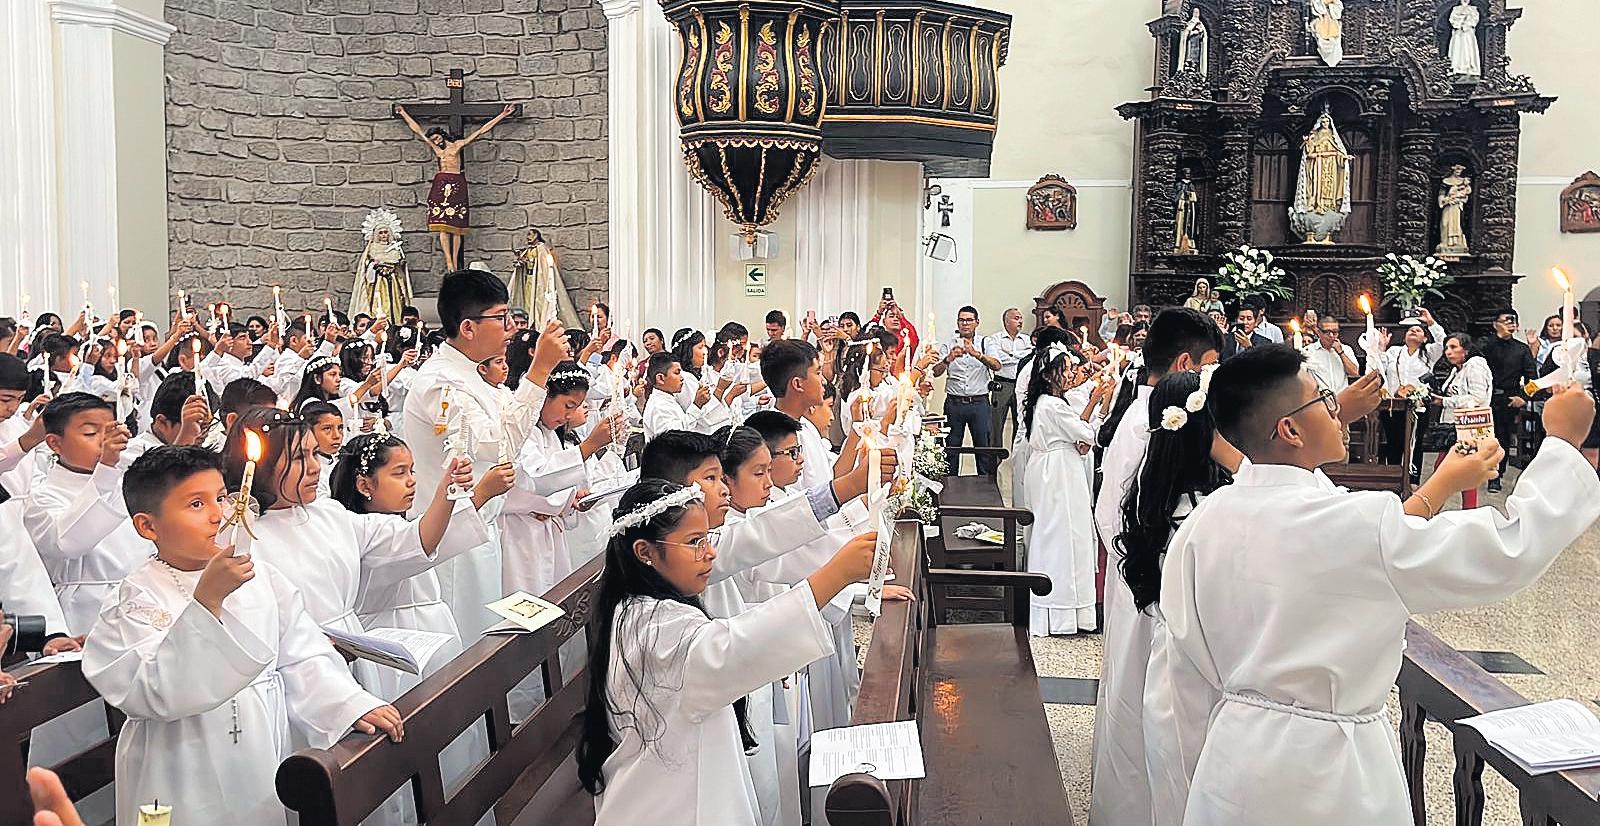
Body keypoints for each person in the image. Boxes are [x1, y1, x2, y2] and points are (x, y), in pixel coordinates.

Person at [1151, 344, 1598, 825]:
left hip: (1231, 760)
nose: (1336, 408)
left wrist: (1197, 782)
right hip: (1331, 771)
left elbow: (1185, 683)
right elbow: (1507, 549)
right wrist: (1562, 443)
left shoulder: (1202, 525)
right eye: (1324, 398)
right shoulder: (1358, 524)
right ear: (1290, 430)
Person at [83, 445, 402, 826]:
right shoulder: (133, 599)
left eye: (221, 497)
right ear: (148, 526)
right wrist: (207, 602)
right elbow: (152, 692)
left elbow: (302, 654)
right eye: (196, 504)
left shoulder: (260, 576)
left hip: (260, 747)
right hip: (179, 763)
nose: (218, 514)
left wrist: (348, 703)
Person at [576, 480, 875, 826]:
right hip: (670, 807)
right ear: (645, 552)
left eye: (708, 539)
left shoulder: (642, 608)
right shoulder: (655, 630)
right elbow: (732, 649)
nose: (710, 553)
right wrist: (835, 575)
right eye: (694, 542)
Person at [226, 406, 491, 698]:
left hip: (351, 653)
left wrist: (446, 493)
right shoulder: (241, 534)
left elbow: (415, 540)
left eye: (315, 454)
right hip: (298, 671)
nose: (315, 467)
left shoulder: (329, 514)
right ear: (262, 465)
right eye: (300, 457)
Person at [1088, 307, 1221, 826]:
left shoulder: (1148, 410)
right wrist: (1150, 566)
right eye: (1210, 366)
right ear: (1186, 364)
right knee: (1141, 703)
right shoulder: (1150, 416)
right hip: (1151, 587)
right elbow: (1113, 512)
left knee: (1148, 703)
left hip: (1155, 583)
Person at [401, 268, 564, 638]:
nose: (511, 328)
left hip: (480, 528)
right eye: (501, 317)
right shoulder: (441, 381)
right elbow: (499, 444)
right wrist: (539, 369)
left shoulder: (473, 376)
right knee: (465, 644)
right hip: (449, 540)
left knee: (488, 637)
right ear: (468, 328)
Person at [1114, 370, 1232, 824]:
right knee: (1197, 793)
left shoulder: (1155, 496)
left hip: (1171, 664)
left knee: (1175, 790)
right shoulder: (1211, 510)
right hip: (1208, 666)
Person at [1021, 343, 1109, 635]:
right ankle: (1061, 609)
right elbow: (1087, 433)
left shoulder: (1045, 403)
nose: (1071, 374)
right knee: (1063, 535)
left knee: (1056, 534)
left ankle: (1064, 611)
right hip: (1058, 475)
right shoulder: (1053, 405)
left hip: (1052, 469)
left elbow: (1076, 434)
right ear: (1049, 375)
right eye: (1066, 369)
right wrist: (1099, 402)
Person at [395, 103, 516, 272]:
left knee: (457, 226)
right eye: (433, 140)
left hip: (456, 182)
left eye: (437, 138)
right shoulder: (436, 149)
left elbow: (481, 131)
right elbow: (417, 130)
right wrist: (403, 113)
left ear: (442, 135)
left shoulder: (456, 146)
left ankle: (454, 258)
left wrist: (503, 115)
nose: (435, 142)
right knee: (442, 225)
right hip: (441, 183)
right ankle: (449, 261)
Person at [934, 306, 1003, 475]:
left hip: (979, 403)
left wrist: (977, 354)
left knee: (983, 448)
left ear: (977, 322)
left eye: (969, 320)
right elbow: (935, 372)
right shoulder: (948, 344)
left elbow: (997, 365)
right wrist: (948, 359)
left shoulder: (986, 342)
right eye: (961, 320)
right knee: (951, 448)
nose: (965, 324)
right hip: (954, 402)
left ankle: (986, 485)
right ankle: (950, 484)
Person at [1431, 333, 1494, 507]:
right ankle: (1437, 508)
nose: (1448, 352)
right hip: (1453, 426)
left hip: (1468, 427)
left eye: (1453, 347)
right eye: (1446, 348)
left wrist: (1445, 401)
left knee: (1453, 470)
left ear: (1466, 349)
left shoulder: (1475, 366)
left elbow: (1478, 397)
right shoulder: (1456, 370)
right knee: (1449, 470)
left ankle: (1439, 508)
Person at [1479, 310, 1537, 493]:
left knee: (1502, 438)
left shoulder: (1521, 349)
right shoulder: (1486, 344)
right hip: (1486, 397)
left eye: (1513, 321)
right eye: (1506, 320)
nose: (1510, 324)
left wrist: (1524, 397)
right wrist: (1498, 336)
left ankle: (1496, 475)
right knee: (1483, 437)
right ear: (1495, 324)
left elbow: (1532, 379)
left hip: (1509, 399)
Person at [985, 307, 1033, 443]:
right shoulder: (995, 339)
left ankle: (1017, 454)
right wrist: (1019, 356)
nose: (1020, 321)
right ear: (1006, 321)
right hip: (1002, 384)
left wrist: (1010, 354)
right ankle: (995, 454)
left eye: (1021, 318)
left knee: (1020, 423)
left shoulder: (1026, 339)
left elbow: (1028, 359)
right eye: (1016, 318)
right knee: (996, 423)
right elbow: (998, 359)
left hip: (1022, 385)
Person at [1301, 317, 1359, 392]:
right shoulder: (1308, 351)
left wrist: (1340, 352)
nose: (1331, 335)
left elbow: (1354, 373)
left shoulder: (1346, 349)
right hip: (1320, 397)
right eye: (1327, 332)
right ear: (1318, 332)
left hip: (1341, 396)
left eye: (1335, 332)